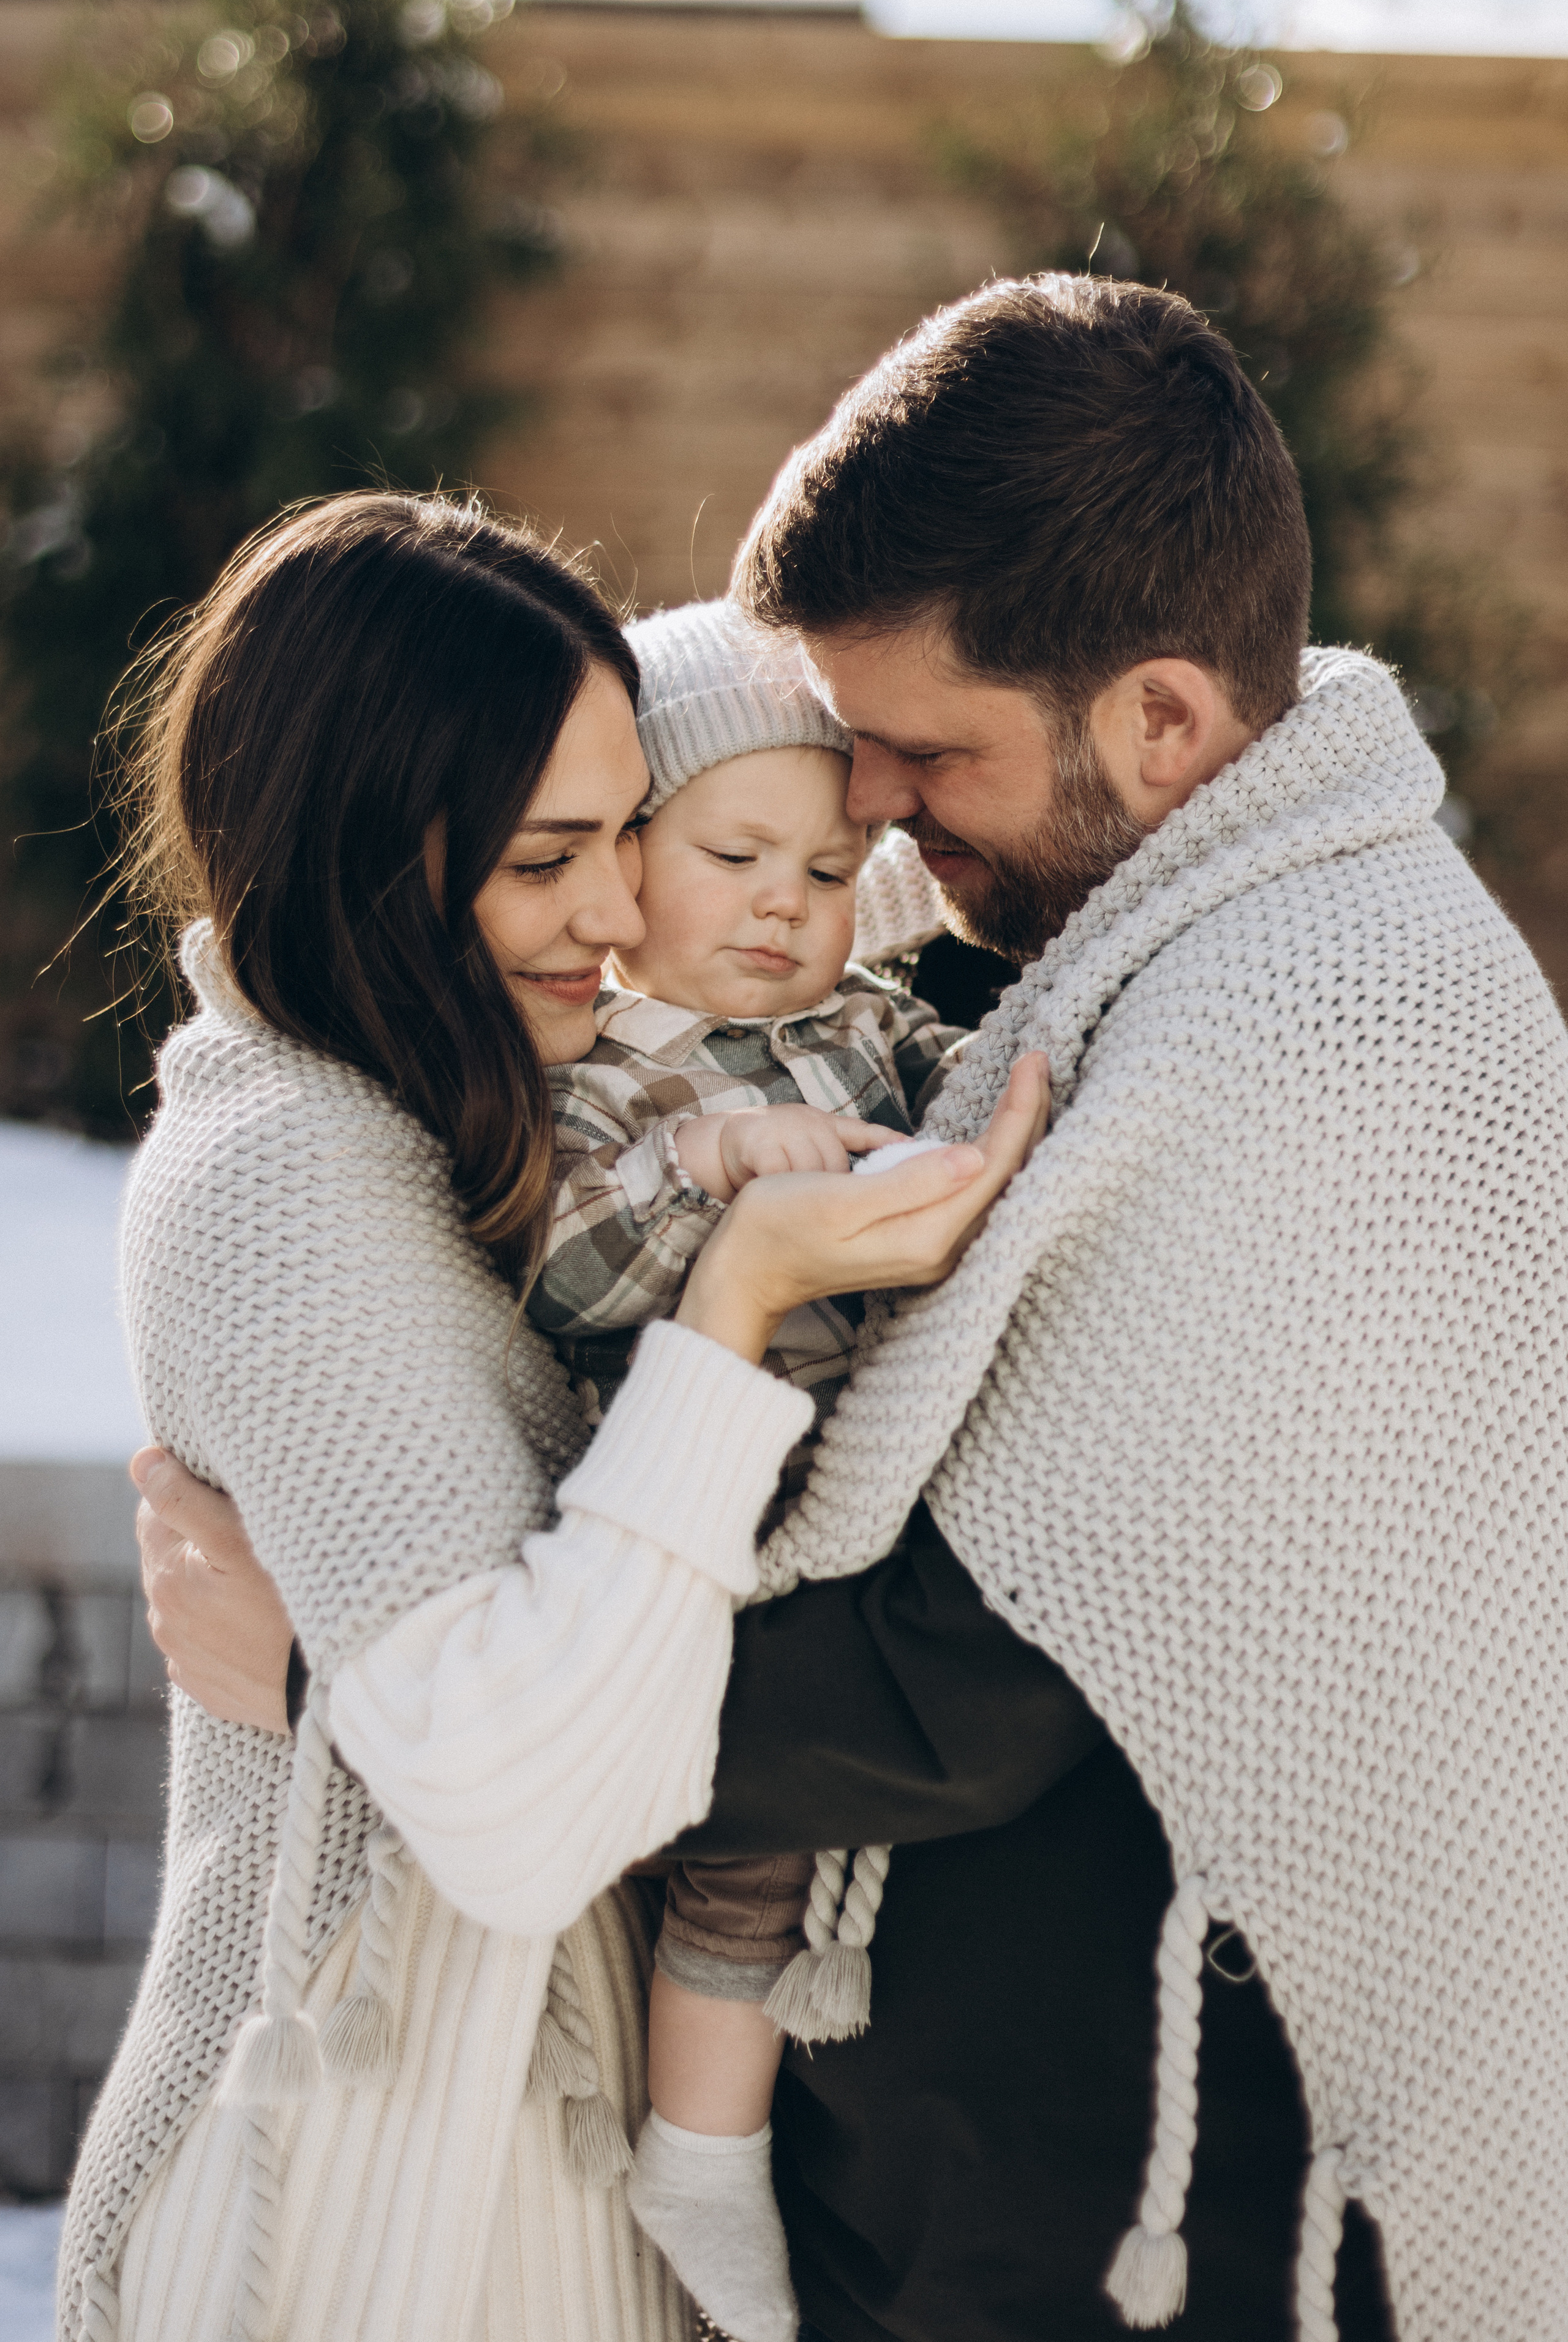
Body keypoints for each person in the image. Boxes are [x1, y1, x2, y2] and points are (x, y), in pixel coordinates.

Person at [133, 273, 1568, 2342]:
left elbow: (947, 1687)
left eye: (920, 753)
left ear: (1160, 719)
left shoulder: (1311, 1023)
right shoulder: (1154, 907)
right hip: (984, 2193)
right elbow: (714, 848)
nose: (873, 816)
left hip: (1139, 2222)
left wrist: (359, 1701)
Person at [58, 489, 1046, 2342]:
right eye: (549, 856)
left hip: (525, 2159)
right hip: (373, 2205)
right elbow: (516, 1807)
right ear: (366, 854)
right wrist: (742, 1291)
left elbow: (817, 851)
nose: (621, 915)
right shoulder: (295, 1175)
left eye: (633, 838)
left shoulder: (480, 1088)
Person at [527, 597, 967, 2342]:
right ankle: (699, 2154)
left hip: (881, 1528)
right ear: (630, 861)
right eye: (735, 854)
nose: (788, 900)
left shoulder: (878, 1032)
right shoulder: (601, 1079)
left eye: (835, 865)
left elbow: (997, 1100)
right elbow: (564, 1272)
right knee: (745, 1867)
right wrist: (714, 1160)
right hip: (708, 1550)